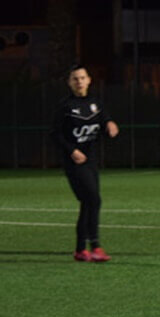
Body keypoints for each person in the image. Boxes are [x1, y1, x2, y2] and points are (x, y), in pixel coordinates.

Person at [51, 63, 119, 262]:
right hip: (74, 162)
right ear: (69, 83)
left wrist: (110, 123)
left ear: (89, 80)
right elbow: (54, 134)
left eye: (82, 78)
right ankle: (96, 246)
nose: (79, 82)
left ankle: (81, 249)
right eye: (75, 79)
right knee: (94, 200)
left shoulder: (96, 103)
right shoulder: (65, 106)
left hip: (91, 161)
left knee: (87, 203)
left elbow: (105, 119)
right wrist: (72, 150)